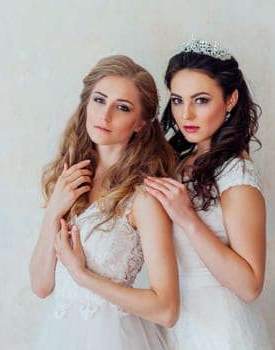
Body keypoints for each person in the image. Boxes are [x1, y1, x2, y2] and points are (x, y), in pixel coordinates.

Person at [29, 55, 179, 350]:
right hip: (62, 335)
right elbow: (40, 286)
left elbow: (167, 309)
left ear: (140, 123)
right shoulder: (70, 180)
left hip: (114, 338)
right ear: (86, 102)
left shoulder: (144, 198)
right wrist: (54, 212)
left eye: (122, 107)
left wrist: (83, 276)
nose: (105, 115)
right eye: (99, 100)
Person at [144, 38, 272, 349]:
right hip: (173, 321)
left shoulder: (236, 175)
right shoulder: (175, 162)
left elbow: (250, 285)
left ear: (230, 100)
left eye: (200, 100)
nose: (186, 114)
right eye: (177, 100)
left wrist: (188, 219)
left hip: (218, 330)